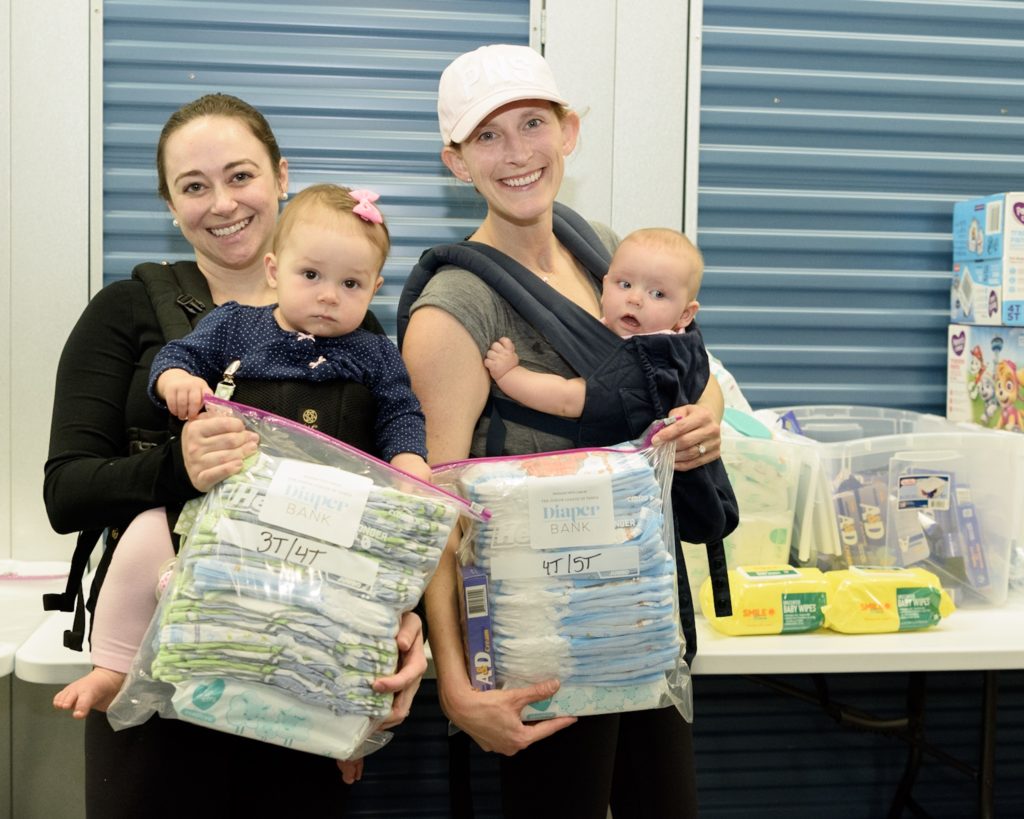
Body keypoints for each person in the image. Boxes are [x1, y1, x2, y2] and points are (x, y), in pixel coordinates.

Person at [44, 94, 426, 817]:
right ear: (170, 203)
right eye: (193, 185)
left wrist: (399, 617)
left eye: (241, 175)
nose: (222, 202)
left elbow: (388, 474)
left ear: (280, 176)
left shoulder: (358, 336)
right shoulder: (127, 312)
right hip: (163, 673)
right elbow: (66, 493)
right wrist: (176, 469)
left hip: (301, 652)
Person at [400, 44, 728, 818]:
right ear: (455, 160)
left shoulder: (601, 252)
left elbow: (681, 369)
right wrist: (454, 681)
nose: (517, 153)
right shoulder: (456, 308)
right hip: (539, 638)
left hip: (638, 610)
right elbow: (434, 503)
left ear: (568, 131)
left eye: (533, 123)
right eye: (487, 136)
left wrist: (703, 423)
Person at [484, 227, 703, 418]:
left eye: (657, 294)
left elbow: (566, 400)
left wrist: (510, 375)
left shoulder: (647, 361)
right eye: (625, 284)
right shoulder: (680, 345)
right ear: (605, 286)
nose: (634, 299)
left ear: (685, 314)